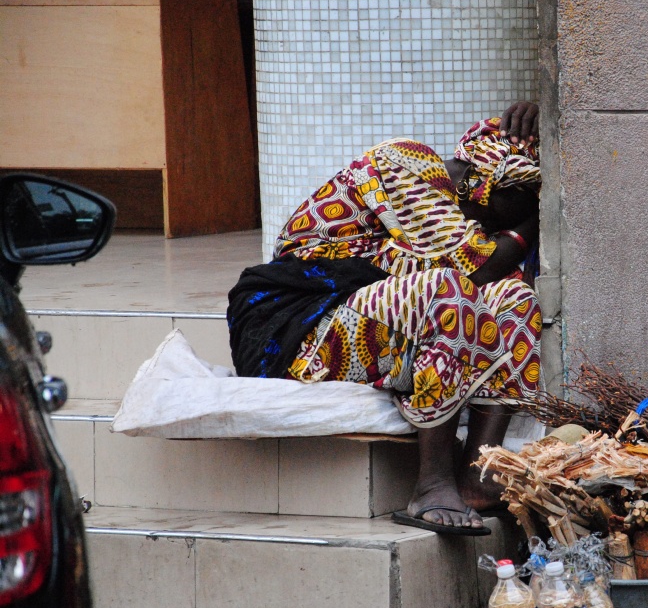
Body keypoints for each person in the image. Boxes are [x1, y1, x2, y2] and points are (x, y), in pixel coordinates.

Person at [228, 102, 542, 536]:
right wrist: (529, 222)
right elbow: (477, 268)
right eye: (520, 208)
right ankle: (432, 484)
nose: (505, 229)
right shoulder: (406, 162)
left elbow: (493, 278)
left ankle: (477, 473)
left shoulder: (462, 215)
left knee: (515, 297)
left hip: (370, 322)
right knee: (448, 289)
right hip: (297, 328)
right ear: (486, 188)